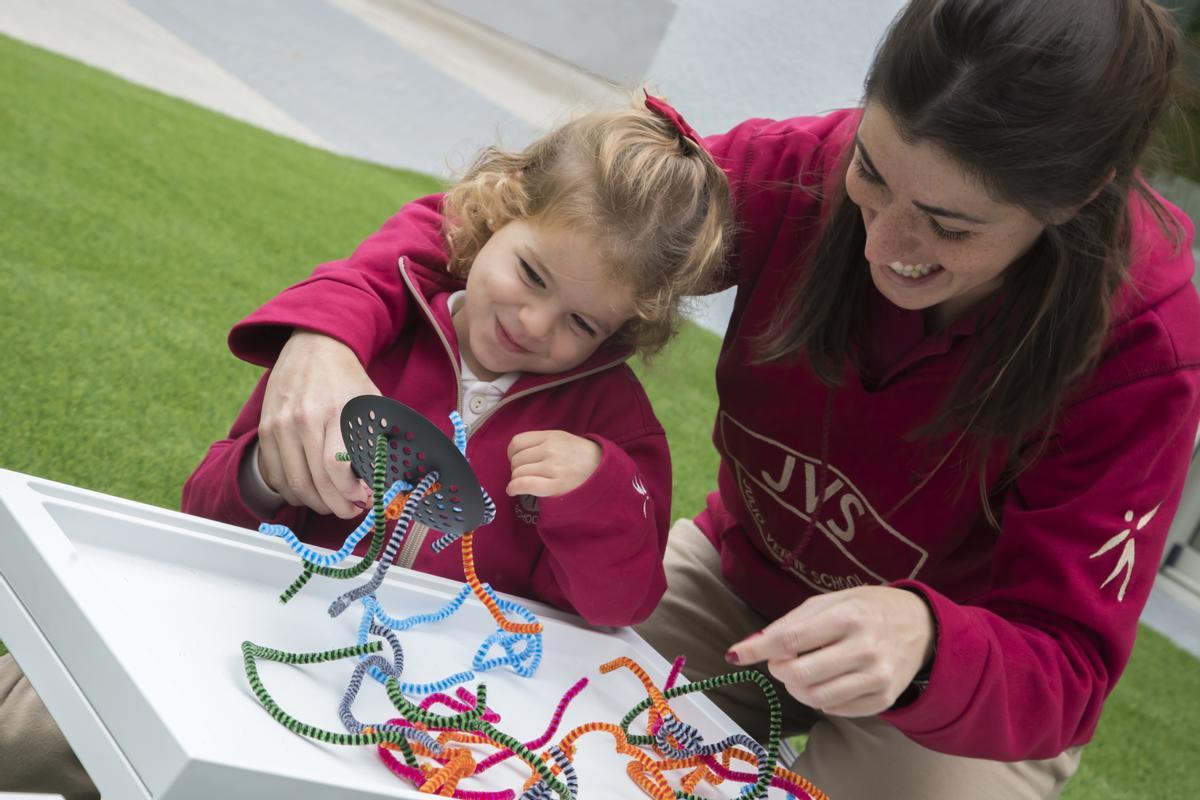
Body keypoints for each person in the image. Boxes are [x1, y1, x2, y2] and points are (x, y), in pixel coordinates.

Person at [223, 1, 1200, 797]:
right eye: (871, 172)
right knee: (524, 731)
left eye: (947, 225)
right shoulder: (787, 173)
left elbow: (1064, 662)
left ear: (1082, 196)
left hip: (954, 689)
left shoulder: (1146, 344)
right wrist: (327, 332)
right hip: (745, 573)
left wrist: (928, 640)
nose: (883, 243)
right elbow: (533, 223)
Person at [0, 95, 731, 799]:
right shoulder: (363, 343)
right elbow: (206, 505)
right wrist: (265, 473)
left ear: (622, 330)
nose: (536, 324)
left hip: (425, 714)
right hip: (251, 637)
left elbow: (621, 602)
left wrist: (599, 492)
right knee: (54, 729)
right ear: (498, 212)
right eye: (531, 274)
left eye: (581, 323)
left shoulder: (614, 430)